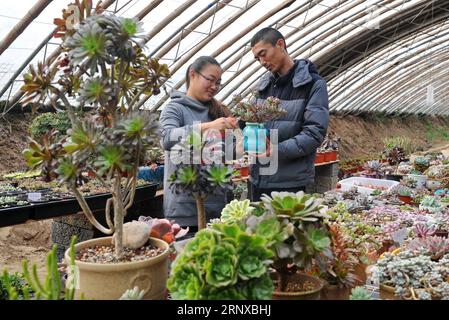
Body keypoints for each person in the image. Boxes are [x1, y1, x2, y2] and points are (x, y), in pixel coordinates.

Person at [248, 27, 329, 201]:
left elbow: (314, 134)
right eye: (257, 58)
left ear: (280, 44)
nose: (262, 62)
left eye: (263, 53)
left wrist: (276, 150)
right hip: (258, 178)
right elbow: (251, 122)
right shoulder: (263, 86)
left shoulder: (312, 84)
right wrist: (243, 123)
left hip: (290, 182)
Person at [159, 56, 238, 234]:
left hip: (217, 206)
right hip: (185, 209)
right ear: (192, 74)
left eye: (218, 83)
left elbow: (230, 155)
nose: (214, 87)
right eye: (210, 80)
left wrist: (239, 139)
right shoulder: (175, 108)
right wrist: (208, 127)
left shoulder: (218, 111)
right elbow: (167, 138)